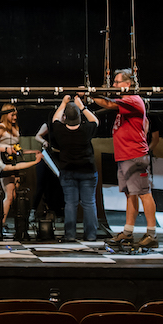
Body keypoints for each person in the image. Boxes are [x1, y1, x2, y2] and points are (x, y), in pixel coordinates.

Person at [95, 69, 159, 248]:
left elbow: (107, 104)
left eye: (117, 82)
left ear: (127, 84)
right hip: (125, 156)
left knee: (144, 193)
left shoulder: (133, 99)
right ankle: (128, 232)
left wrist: (90, 95)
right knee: (130, 194)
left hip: (135, 156)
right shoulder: (125, 101)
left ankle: (151, 234)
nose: (114, 85)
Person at [50, 95, 101, 241]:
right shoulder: (86, 130)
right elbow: (95, 121)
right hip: (88, 171)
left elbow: (55, 119)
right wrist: (83, 107)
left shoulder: (60, 131)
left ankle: (70, 235)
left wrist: (63, 103)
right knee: (89, 203)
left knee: (70, 204)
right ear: (79, 116)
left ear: (65, 117)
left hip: (68, 172)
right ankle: (91, 235)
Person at [0, 104, 23, 222]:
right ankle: (0, 223)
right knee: (9, 196)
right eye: (12, 115)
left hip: (14, 162)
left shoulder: (15, 127)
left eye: (16, 115)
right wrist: (5, 148)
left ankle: (10, 222)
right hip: (4, 163)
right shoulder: (1, 127)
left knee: (14, 195)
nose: (15, 117)